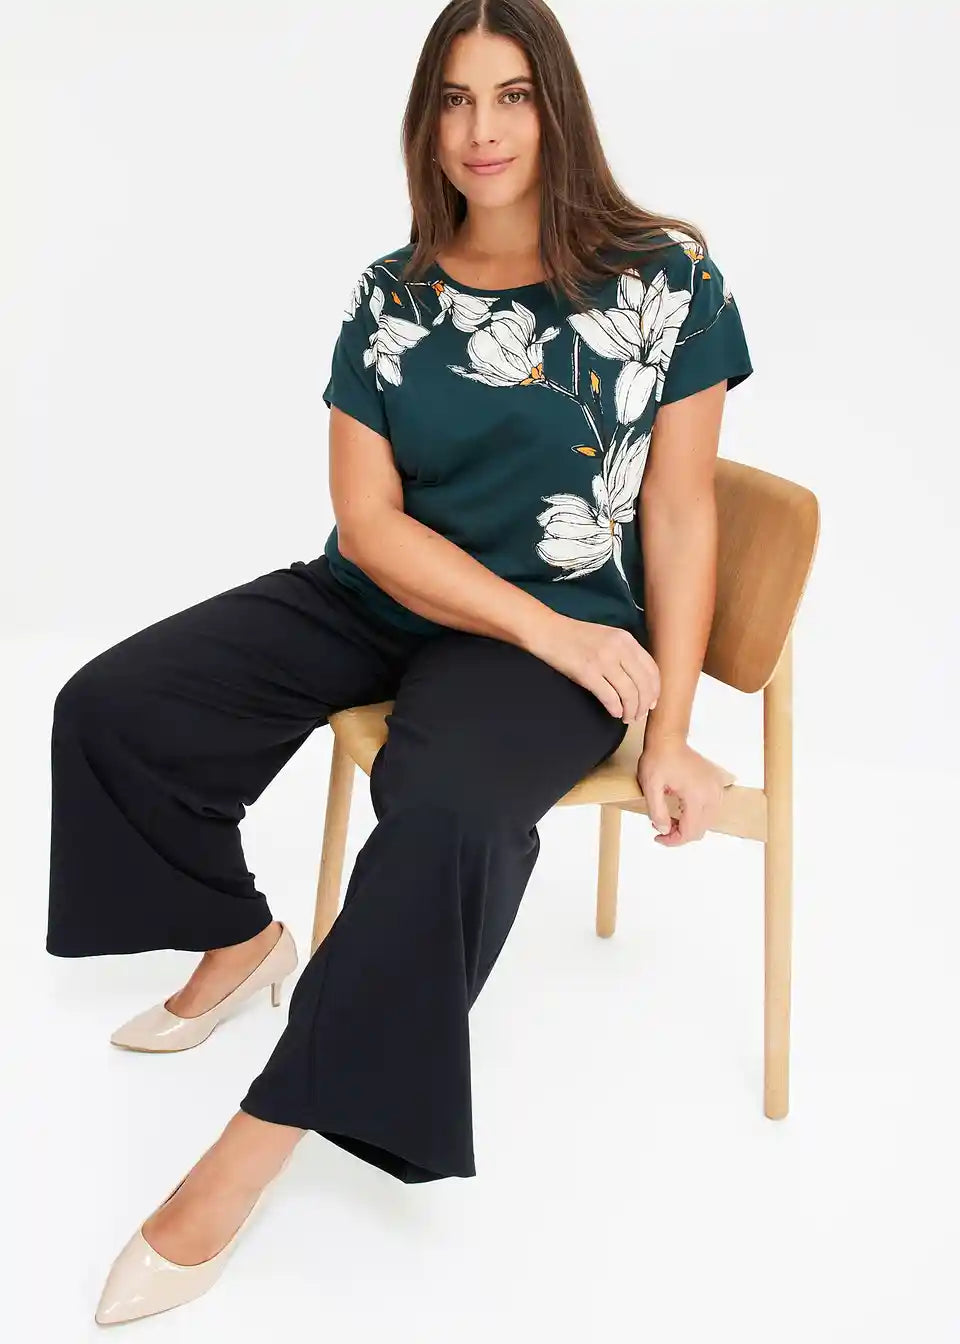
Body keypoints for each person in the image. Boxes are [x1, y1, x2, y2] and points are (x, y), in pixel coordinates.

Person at [47, 0, 753, 1326]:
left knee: (443, 820)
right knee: (111, 707)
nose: (483, 130)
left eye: (512, 96)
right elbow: (370, 524)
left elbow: (679, 514)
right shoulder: (395, 294)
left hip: (556, 636)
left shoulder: (667, 282)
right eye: (455, 100)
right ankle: (244, 940)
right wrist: (541, 627)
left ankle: (256, 1143)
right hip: (390, 599)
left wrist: (664, 729)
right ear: (425, 123)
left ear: (557, 107)